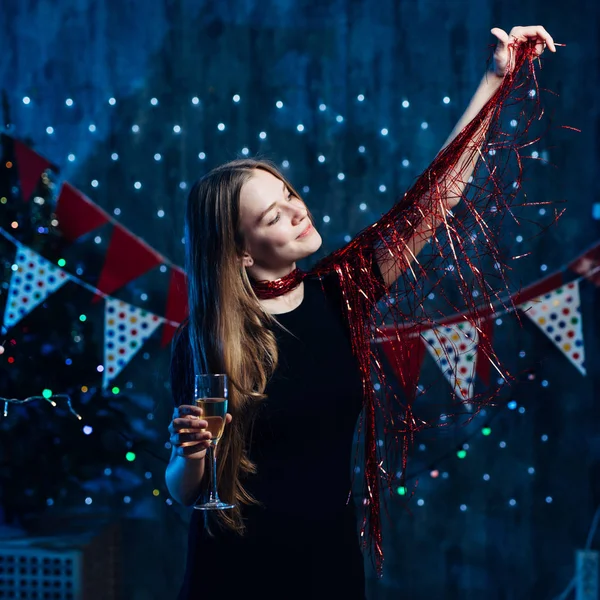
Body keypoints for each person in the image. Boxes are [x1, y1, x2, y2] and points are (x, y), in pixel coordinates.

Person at [166, 26, 556, 600]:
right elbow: (188, 492)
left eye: (289, 195)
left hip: (328, 565)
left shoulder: (340, 294)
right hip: (235, 574)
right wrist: (188, 455)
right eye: (273, 217)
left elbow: (435, 198)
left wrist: (497, 78)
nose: (297, 212)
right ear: (241, 252)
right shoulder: (203, 338)